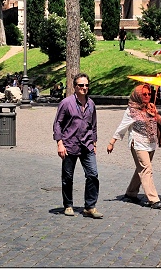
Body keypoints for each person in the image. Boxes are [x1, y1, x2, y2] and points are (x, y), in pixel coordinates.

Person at [53, 73, 103, 219]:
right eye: (81, 85)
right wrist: (60, 143)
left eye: (86, 85)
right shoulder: (66, 103)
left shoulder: (91, 104)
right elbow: (57, 123)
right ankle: (68, 205)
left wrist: (94, 142)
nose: (84, 88)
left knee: (93, 175)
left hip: (87, 145)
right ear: (75, 87)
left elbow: (93, 125)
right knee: (68, 177)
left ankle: (90, 206)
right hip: (69, 144)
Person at [107, 84, 161, 209]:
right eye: (144, 94)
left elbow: (160, 122)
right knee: (146, 168)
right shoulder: (131, 110)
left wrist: (156, 115)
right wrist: (112, 142)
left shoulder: (151, 107)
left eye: (149, 94)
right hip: (138, 143)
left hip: (151, 143)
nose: (147, 96)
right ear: (138, 95)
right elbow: (122, 127)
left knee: (142, 168)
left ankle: (131, 192)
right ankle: (153, 199)